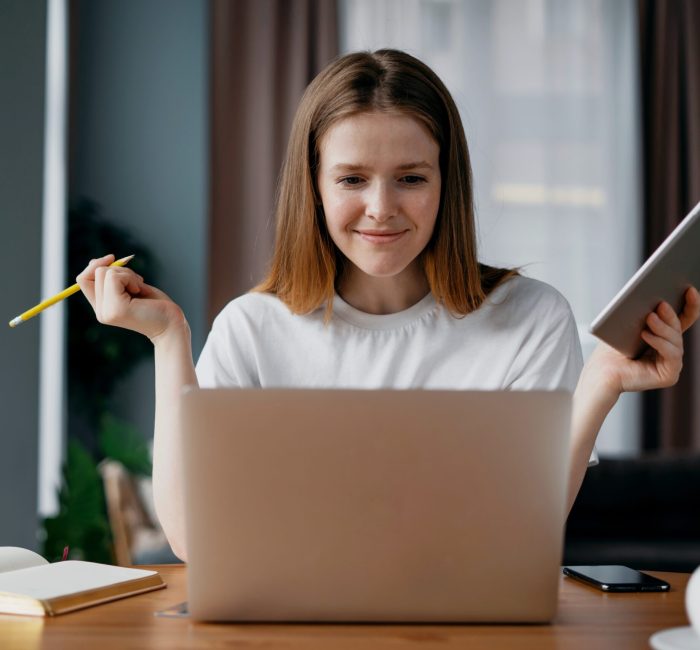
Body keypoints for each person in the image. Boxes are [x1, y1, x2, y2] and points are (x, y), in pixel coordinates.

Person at [76, 49, 700, 562]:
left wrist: (602, 382)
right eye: (351, 179)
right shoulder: (252, 326)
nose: (381, 208)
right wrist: (169, 341)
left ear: (445, 183)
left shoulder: (530, 318)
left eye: (411, 177)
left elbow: (521, 528)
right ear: (314, 188)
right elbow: (193, 541)